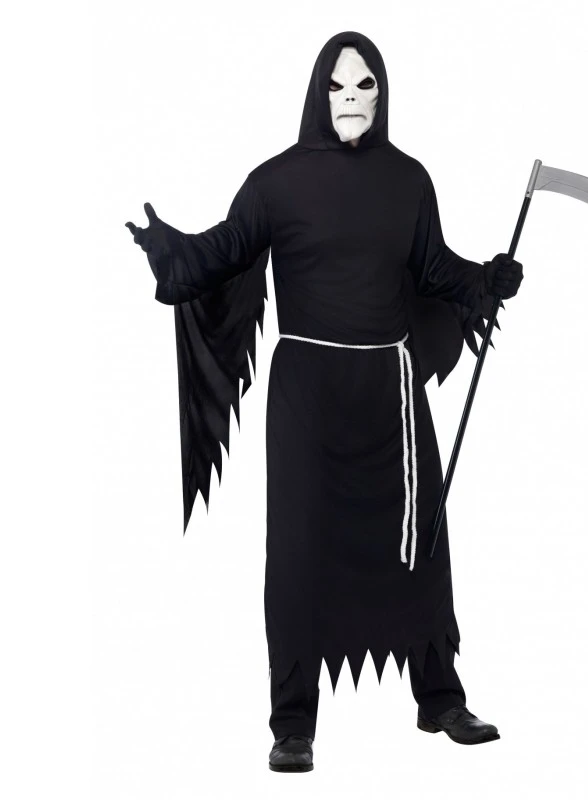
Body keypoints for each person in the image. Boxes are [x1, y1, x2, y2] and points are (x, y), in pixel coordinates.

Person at [126, 31, 523, 774]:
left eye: (365, 84)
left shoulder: (410, 180)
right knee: (299, 553)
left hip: (392, 396)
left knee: (422, 541)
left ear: (382, 93)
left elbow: (434, 269)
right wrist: (170, 249)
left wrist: (486, 279)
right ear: (318, 92)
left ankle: (439, 698)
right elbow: (224, 251)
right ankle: (292, 723)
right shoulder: (276, 182)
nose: (351, 97)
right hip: (307, 397)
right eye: (338, 85)